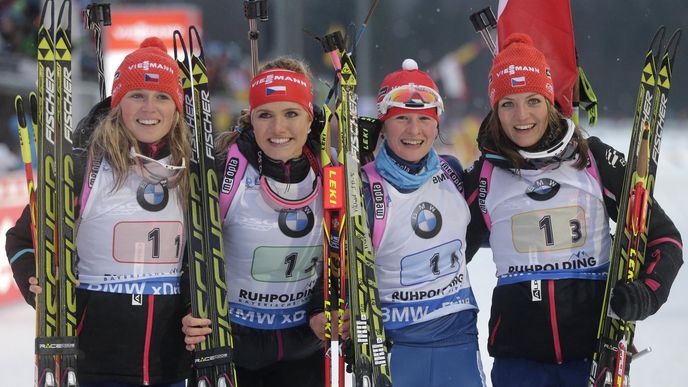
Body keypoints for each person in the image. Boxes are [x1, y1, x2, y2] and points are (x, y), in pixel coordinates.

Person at [463, 33, 683, 387]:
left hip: (593, 356)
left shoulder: (592, 159)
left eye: (533, 100)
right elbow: (440, 252)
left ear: (549, 101)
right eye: (508, 104)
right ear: (494, 108)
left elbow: (664, 239)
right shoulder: (484, 176)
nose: (522, 116)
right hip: (518, 362)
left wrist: (648, 292)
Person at [6, 37, 192, 386]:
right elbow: (22, 238)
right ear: (118, 102)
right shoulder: (82, 166)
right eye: (136, 95)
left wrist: (195, 310)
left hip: (171, 365)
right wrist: (37, 283)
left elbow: (202, 261)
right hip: (91, 363)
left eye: (162, 97)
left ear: (176, 107)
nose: (149, 108)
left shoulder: (192, 173)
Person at [182, 57, 326, 387]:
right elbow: (186, 252)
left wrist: (322, 308)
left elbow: (342, 254)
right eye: (266, 115)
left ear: (309, 118)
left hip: (303, 353)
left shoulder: (328, 172)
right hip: (231, 351)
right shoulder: (224, 169)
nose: (279, 129)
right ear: (251, 118)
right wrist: (188, 309)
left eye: (291, 114)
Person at [359, 58, 487, 387]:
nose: (414, 131)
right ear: (383, 124)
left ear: (437, 123)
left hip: (458, 341)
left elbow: (483, 226)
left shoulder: (453, 172)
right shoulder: (363, 187)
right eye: (401, 118)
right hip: (394, 346)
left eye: (424, 119)